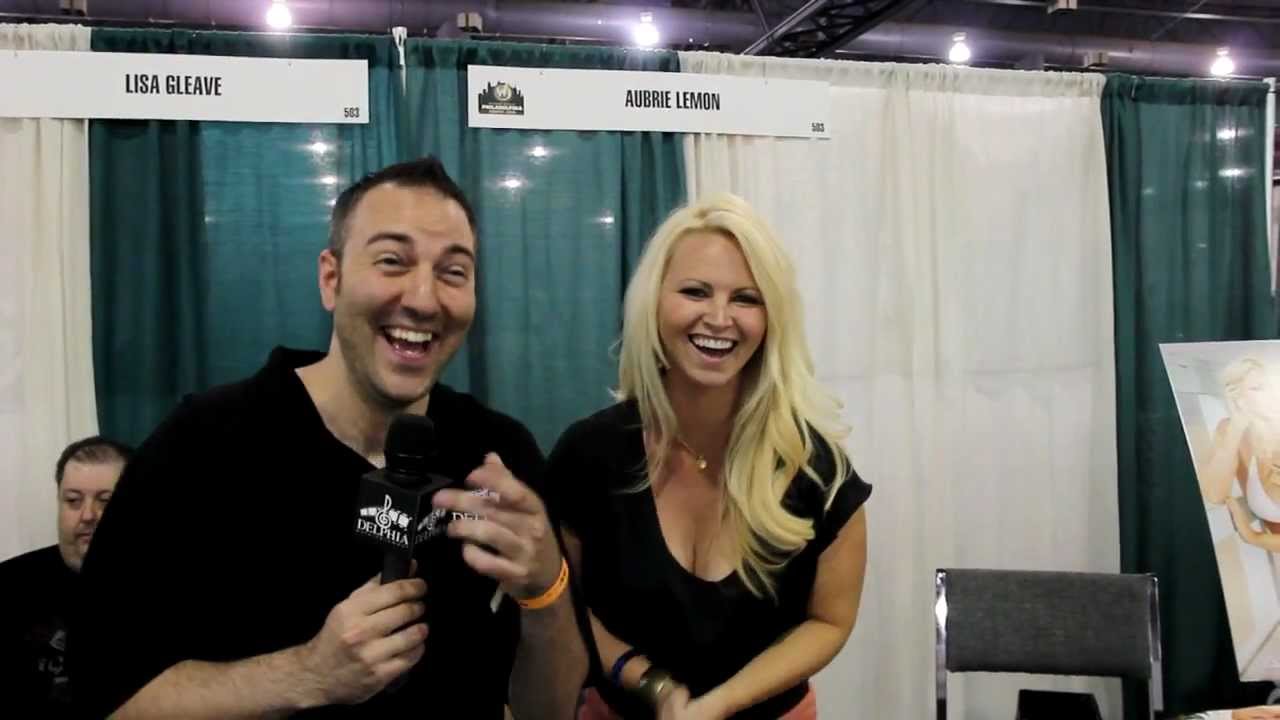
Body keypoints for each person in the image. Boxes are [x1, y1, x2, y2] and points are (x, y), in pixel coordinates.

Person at [71, 157, 586, 718]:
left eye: (453, 272)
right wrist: (308, 674)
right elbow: (110, 700)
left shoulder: (498, 456)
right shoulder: (202, 445)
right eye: (392, 261)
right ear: (330, 279)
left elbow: (548, 711)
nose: (424, 298)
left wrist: (546, 591)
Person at [546, 193, 871, 719]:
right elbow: (559, 598)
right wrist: (650, 683)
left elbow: (830, 621)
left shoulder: (819, 470)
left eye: (746, 298)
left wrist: (717, 705)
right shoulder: (588, 454)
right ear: (654, 303)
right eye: (695, 291)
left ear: (772, 318)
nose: (719, 318)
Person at [0, 435, 132, 715]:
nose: (88, 515)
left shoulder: (166, 589)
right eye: (73, 500)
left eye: (106, 501)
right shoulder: (8, 586)